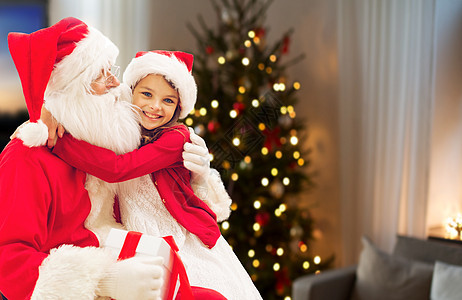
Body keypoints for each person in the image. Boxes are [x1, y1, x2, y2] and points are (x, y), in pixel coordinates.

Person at [0, 17, 225, 300]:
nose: (116, 83)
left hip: (129, 258)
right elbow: (8, 261)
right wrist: (104, 282)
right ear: (74, 87)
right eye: (101, 75)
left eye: (112, 70)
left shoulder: (101, 144)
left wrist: (201, 178)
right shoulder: (27, 156)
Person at [51, 50, 263, 300]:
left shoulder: (176, 138)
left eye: (168, 100)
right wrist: (55, 114)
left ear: (179, 107)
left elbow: (119, 169)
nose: (155, 106)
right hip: (136, 236)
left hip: (179, 238)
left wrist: (59, 142)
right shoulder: (123, 128)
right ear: (131, 92)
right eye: (147, 94)